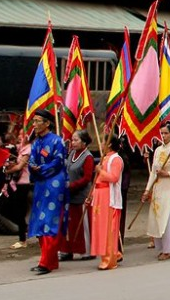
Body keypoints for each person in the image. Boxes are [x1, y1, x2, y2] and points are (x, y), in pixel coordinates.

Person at [27, 110, 68, 275]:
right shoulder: (36, 143)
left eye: (38, 121)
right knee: (39, 221)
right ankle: (49, 261)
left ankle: (46, 262)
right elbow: (32, 160)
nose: (34, 124)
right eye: (34, 121)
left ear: (47, 123)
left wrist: (42, 168)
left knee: (49, 223)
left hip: (54, 185)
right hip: (40, 185)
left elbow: (58, 162)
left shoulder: (58, 141)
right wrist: (33, 167)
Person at [142, 123, 170, 261]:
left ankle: (169, 249)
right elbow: (153, 172)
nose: (163, 136)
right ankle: (161, 247)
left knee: (167, 219)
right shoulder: (157, 150)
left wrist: (168, 174)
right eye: (161, 133)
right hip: (158, 188)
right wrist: (147, 190)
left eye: (166, 133)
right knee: (157, 218)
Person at [89, 135, 124, 270]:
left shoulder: (116, 159)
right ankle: (113, 254)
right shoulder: (104, 158)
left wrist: (100, 171)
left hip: (108, 197)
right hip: (99, 195)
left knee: (109, 228)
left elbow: (114, 178)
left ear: (109, 144)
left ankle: (110, 260)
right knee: (100, 227)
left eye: (103, 141)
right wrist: (92, 195)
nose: (101, 143)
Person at [59, 130, 94, 262]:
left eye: (76, 140)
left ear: (84, 142)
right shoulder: (72, 153)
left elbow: (86, 178)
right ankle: (67, 250)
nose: (72, 143)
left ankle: (86, 251)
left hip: (81, 196)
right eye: (72, 140)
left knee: (82, 225)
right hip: (69, 195)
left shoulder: (88, 157)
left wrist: (71, 186)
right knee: (69, 225)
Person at [4, 132, 32, 250]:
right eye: (19, 135)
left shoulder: (29, 148)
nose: (20, 137)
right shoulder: (21, 147)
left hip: (24, 183)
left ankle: (22, 239)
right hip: (16, 183)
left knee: (20, 210)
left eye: (22, 135)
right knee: (7, 208)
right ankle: (24, 231)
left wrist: (8, 171)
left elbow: (20, 166)